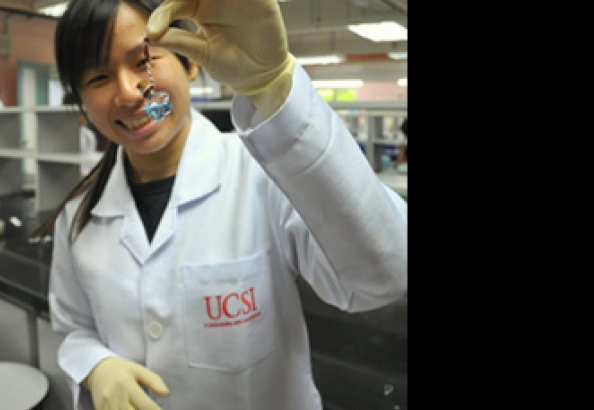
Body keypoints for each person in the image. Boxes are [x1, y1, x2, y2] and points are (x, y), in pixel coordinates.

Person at [30, 0, 407, 409]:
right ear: (81, 100)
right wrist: (96, 364)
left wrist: (274, 86)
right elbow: (72, 328)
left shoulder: (265, 174)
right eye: (99, 77)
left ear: (190, 63)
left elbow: (384, 273)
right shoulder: (80, 212)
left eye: (144, 62)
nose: (127, 92)